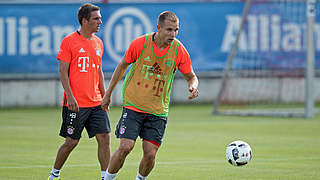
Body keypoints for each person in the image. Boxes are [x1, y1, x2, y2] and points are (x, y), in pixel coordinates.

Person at [101, 11, 199, 180]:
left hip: (158, 111)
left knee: (150, 154)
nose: (173, 34)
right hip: (133, 105)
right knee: (125, 146)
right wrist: (108, 94)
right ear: (158, 28)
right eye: (169, 30)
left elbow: (191, 76)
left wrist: (193, 87)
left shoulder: (179, 50)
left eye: (176, 30)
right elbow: (122, 66)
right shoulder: (140, 44)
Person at [48, 3, 111, 180]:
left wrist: (104, 96)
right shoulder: (69, 41)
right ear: (84, 21)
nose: (100, 21)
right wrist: (70, 97)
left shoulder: (99, 42)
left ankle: (106, 177)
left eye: (100, 18)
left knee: (105, 137)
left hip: (96, 102)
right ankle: (54, 175)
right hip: (76, 103)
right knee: (71, 142)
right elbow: (62, 71)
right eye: (96, 18)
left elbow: (98, 71)